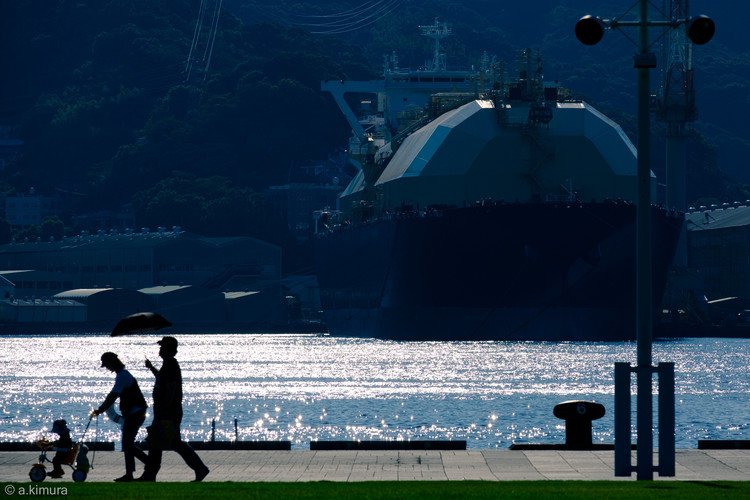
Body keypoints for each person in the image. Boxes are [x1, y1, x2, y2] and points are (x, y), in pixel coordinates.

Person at [137, 336, 209, 482]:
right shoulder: (168, 365)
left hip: (168, 413)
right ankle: (149, 474)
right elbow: (162, 379)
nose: (159, 350)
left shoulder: (170, 365)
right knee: (156, 443)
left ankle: (200, 468)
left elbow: (170, 389)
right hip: (164, 412)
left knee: (173, 443)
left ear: (168, 350)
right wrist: (151, 368)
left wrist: (164, 411)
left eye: (162, 347)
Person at [91, 352, 150, 482]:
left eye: (107, 365)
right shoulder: (122, 375)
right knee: (127, 444)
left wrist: (100, 410)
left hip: (136, 413)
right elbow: (114, 395)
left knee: (127, 444)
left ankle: (149, 463)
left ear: (112, 363)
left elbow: (112, 395)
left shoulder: (122, 376)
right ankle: (131, 473)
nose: (107, 368)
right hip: (134, 413)